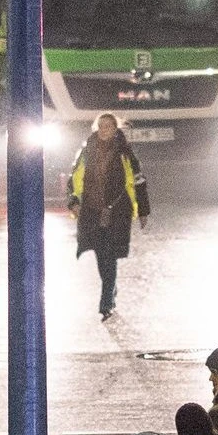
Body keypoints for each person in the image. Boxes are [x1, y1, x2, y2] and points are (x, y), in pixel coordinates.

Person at [70, 115, 149, 319]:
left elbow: (139, 181)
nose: (104, 130)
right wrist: (74, 201)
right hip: (92, 213)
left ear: (116, 128)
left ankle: (106, 301)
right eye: (101, 126)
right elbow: (74, 177)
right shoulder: (87, 151)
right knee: (100, 254)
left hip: (117, 212)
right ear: (97, 128)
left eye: (109, 126)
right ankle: (110, 289)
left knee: (109, 254)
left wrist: (143, 210)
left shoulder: (125, 152)